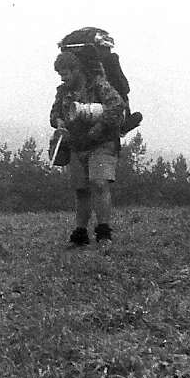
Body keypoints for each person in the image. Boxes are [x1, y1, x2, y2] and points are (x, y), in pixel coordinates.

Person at [50, 50, 126, 247]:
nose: (63, 78)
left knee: (99, 183)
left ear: (77, 69)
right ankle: (80, 234)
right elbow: (54, 113)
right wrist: (59, 122)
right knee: (81, 190)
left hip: (102, 142)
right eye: (60, 74)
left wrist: (98, 127)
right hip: (77, 144)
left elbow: (117, 106)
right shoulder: (62, 92)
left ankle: (103, 233)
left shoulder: (98, 84)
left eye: (66, 73)